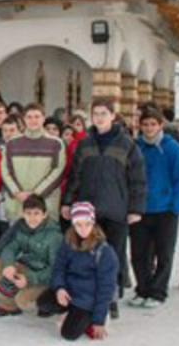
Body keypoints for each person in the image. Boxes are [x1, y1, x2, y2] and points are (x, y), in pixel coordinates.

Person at [61, 98, 146, 317]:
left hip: (116, 209)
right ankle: (88, 296)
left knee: (113, 255)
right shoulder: (85, 143)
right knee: (89, 253)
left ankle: (111, 299)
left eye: (103, 113)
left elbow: (137, 178)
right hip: (89, 212)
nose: (99, 117)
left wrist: (135, 208)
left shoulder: (127, 144)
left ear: (112, 115)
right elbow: (75, 176)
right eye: (95, 113)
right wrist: (68, 202)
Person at [129, 108, 179, 308]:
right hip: (140, 208)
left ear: (160, 125)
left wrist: (176, 206)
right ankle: (143, 288)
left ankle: (158, 291)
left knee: (164, 252)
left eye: (153, 124)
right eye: (145, 124)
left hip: (165, 209)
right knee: (139, 253)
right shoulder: (135, 147)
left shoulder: (173, 149)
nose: (148, 128)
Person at [38, 202, 119, 341]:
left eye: (87, 224)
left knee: (68, 334)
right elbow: (59, 267)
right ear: (73, 225)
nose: (83, 229)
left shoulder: (104, 252)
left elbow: (106, 288)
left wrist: (98, 321)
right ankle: (71, 313)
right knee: (44, 303)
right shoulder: (69, 241)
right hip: (70, 291)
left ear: (93, 223)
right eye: (78, 225)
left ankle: (93, 317)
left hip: (88, 298)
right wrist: (60, 288)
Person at [0, 194, 62, 317]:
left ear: (45, 214)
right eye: (28, 213)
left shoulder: (54, 237)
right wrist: (8, 265)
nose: (32, 218)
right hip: (26, 269)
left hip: (44, 278)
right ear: (23, 214)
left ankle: (49, 303)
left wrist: (29, 279)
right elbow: (10, 248)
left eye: (36, 213)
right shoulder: (22, 228)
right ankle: (9, 306)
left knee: (23, 301)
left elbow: (56, 270)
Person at [0, 103, 66, 222]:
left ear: (43, 118)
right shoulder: (11, 143)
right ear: (23, 119)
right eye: (29, 117)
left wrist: (36, 194)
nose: (33, 120)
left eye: (37, 116)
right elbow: (5, 171)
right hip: (17, 205)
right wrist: (17, 192)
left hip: (45, 205)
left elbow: (57, 172)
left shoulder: (56, 144)